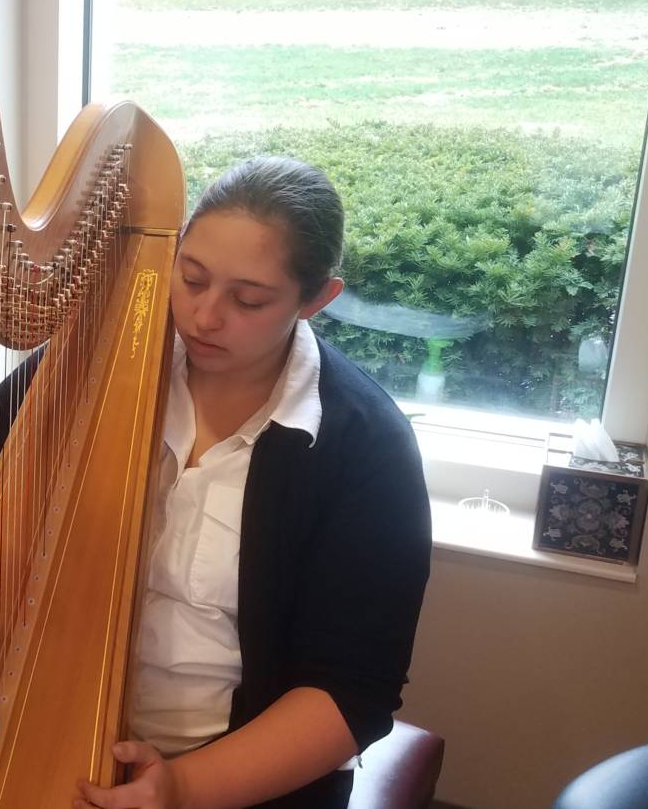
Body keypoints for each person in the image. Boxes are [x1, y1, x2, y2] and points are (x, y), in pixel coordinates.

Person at [65, 157, 433, 809]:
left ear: (317, 299)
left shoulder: (367, 446)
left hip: (241, 783)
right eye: (192, 277)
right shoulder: (110, 361)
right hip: (66, 731)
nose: (204, 317)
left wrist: (179, 786)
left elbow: (353, 693)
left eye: (248, 299)